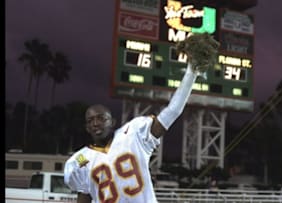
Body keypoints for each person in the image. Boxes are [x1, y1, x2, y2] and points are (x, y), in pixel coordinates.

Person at [63, 33, 219, 203]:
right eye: (90, 120)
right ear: (86, 127)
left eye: (101, 118)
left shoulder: (134, 134)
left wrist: (191, 73)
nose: (95, 123)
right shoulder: (80, 160)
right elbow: (84, 197)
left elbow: (172, 111)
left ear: (112, 122)